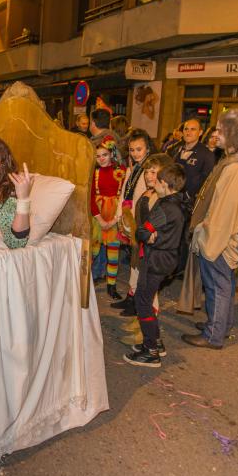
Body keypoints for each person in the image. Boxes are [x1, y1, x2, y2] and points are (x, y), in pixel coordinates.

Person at [179, 109, 238, 349]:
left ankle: (213, 334)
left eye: (220, 130)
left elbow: (224, 214)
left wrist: (207, 239)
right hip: (222, 237)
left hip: (220, 239)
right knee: (222, 284)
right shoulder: (236, 162)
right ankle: (220, 325)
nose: (215, 134)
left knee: (218, 285)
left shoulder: (235, 169)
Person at [123, 163, 187, 367]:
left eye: (158, 180)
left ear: (166, 184)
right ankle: (156, 342)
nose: (154, 182)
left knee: (143, 302)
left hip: (157, 260)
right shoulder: (178, 201)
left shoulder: (166, 206)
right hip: (167, 258)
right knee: (146, 299)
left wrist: (147, 235)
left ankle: (151, 351)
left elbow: (142, 231)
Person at [113, 149, 171, 317]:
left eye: (153, 172)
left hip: (151, 252)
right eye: (146, 172)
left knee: (149, 296)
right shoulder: (148, 192)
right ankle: (140, 326)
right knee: (139, 288)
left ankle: (149, 335)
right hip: (140, 247)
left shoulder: (161, 197)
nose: (148, 176)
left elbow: (158, 227)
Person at [90, 139, 126, 299]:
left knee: (113, 253)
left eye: (105, 154)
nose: (102, 158)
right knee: (92, 252)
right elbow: (90, 198)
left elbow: (126, 197)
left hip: (115, 216)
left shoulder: (123, 171)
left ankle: (111, 285)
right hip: (97, 216)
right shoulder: (93, 173)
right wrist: (100, 221)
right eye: (98, 156)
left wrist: (114, 221)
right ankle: (85, 283)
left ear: (112, 153)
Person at [167, 118, 216, 204]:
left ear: (200, 132)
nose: (188, 132)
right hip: (170, 197)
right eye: (186, 129)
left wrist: (187, 196)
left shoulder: (207, 154)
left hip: (190, 203)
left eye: (193, 129)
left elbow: (206, 180)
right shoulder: (174, 150)